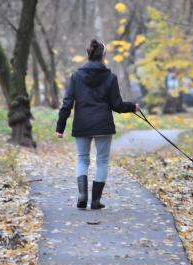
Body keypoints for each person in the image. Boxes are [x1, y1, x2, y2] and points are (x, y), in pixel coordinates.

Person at [56, 39, 139, 210]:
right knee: (102, 161)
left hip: (82, 124)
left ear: (88, 54)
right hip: (102, 124)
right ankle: (95, 201)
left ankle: (82, 195)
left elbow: (67, 103)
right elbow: (117, 105)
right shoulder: (110, 77)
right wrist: (132, 107)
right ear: (104, 56)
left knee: (82, 159)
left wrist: (60, 126)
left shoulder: (76, 76)